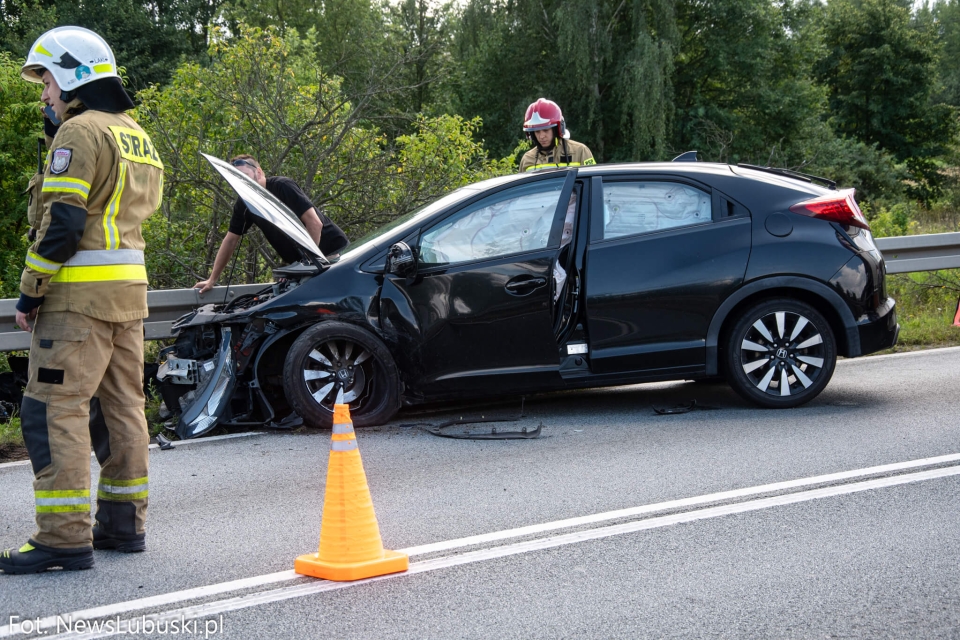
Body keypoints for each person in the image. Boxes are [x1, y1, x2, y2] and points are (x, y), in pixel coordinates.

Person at [0, 26, 163, 574]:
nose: (43, 92)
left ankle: (63, 537)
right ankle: (123, 524)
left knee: (53, 411)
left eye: (45, 78)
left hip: (78, 300)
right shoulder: (135, 134)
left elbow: (63, 223)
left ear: (71, 75)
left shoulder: (80, 132)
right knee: (123, 408)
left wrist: (29, 290)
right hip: (129, 296)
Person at [193, 155, 349, 293]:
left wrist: (305, 266)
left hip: (330, 255)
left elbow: (314, 223)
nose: (241, 183)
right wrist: (212, 279)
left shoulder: (282, 186)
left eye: (245, 176)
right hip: (302, 264)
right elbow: (230, 240)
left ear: (259, 172)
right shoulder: (244, 204)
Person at [518, 98, 596, 173]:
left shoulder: (580, 152)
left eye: (546, 130)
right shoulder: (527, 159)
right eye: (537, 131)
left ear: (556, 129)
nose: (541, 136)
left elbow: (594, 181)